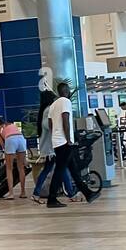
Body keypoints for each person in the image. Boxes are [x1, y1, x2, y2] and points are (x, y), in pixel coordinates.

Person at [45, 81, 98, 209]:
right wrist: (68, 139)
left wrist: (55, 136)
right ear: (66, 91)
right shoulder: (65, 102)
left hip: (57, 141)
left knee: (73, 170)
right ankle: (51, 199)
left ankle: (88, 193)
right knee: (60, 171)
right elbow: (65, 119)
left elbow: (50, 124)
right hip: (64, 142)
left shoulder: (53, 105)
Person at [0, 116, 28, 199]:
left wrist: (6, 152)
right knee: (21, 168)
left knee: (9, 169)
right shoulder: (10, 124)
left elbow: (2, 144)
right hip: (21, 139)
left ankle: (11, 194)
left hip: (10, 139)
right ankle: (23, 192)